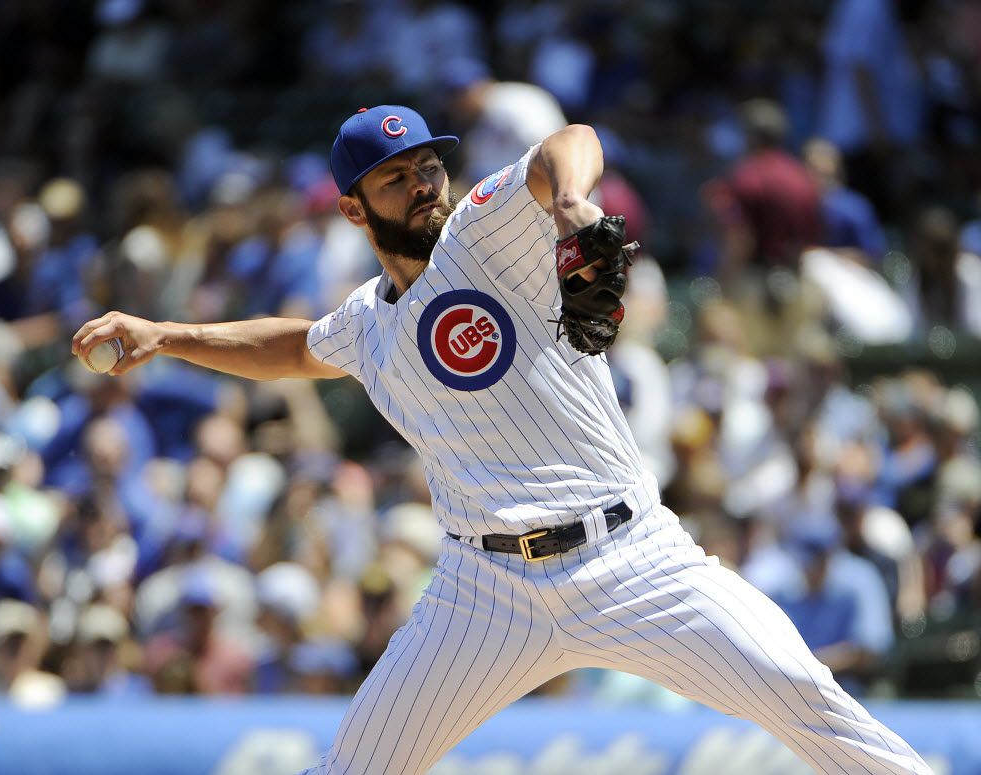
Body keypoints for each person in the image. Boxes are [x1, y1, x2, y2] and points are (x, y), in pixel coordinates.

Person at [72, 105, 931, 774]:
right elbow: (295, 346)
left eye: (429, 165)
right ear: (350, 206)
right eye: (396, 175)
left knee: (801, 694)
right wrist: (168, 334)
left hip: (631, 559)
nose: (423, 183)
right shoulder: (366, 324)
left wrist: (567, 202)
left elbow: (572, 138)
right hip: (482, 593)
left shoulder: (485, 234)